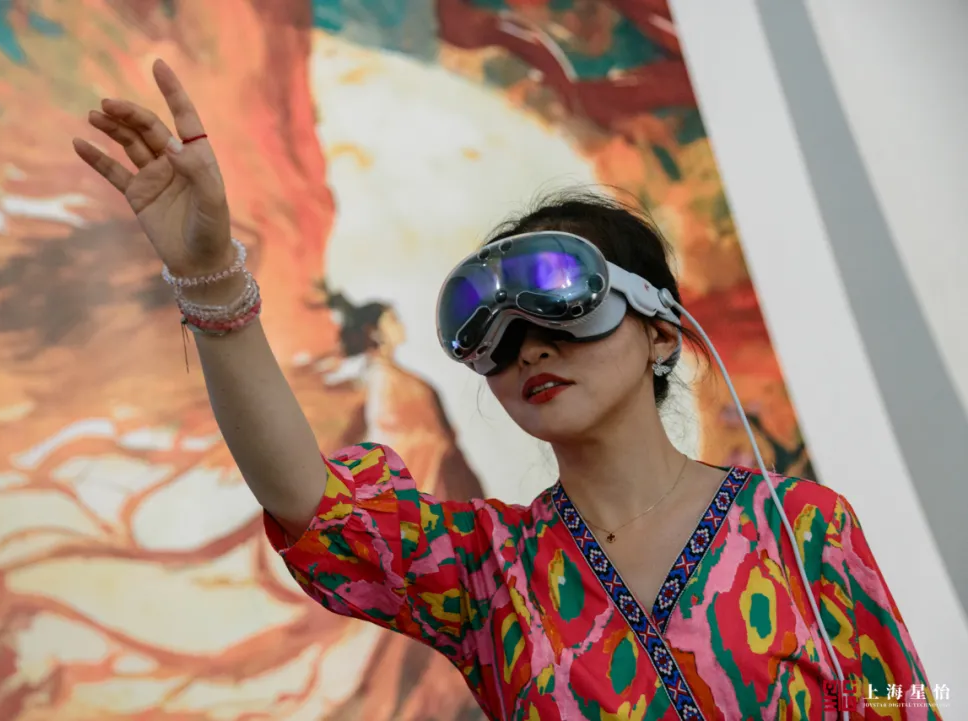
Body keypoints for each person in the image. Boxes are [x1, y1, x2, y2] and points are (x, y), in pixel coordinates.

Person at [73, 60, 940, 721]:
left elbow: (905, 698)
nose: (530, 349)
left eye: (565, 306)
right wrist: (211, 276)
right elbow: (313, 505)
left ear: (661, 332)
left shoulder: (805, 527)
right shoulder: (493, 571)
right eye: (497, 336)